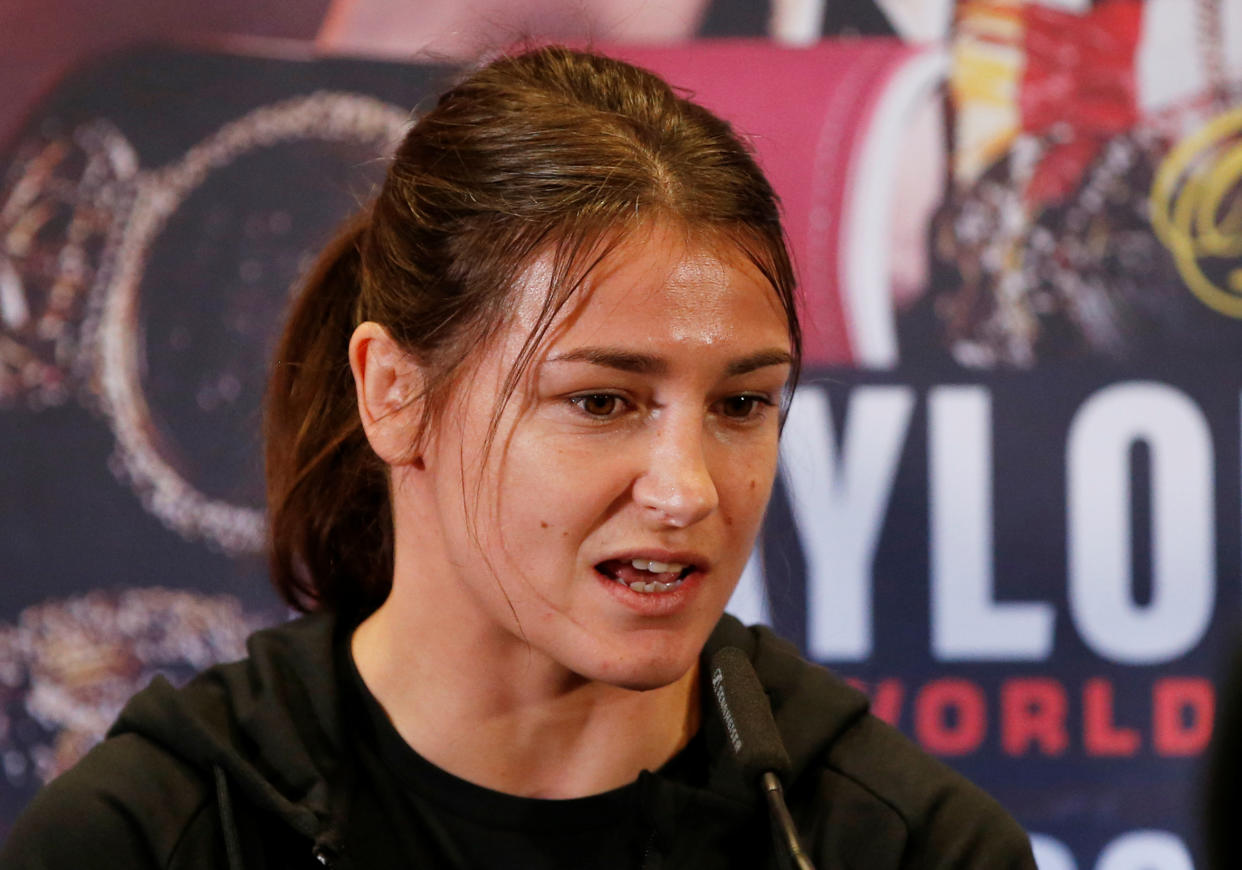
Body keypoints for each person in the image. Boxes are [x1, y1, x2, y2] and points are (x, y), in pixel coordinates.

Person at [1, 45, 1036, 869]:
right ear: (393, 394)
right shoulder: (149, 835)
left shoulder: (900, 844)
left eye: (742, 403)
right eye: (600, 400)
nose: (687, 487)